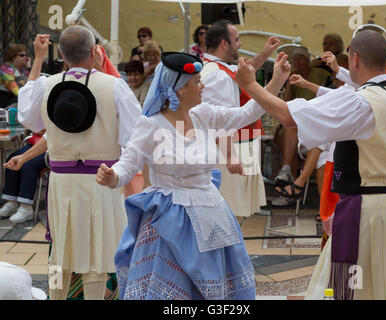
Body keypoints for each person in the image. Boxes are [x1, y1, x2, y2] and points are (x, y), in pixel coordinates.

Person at [96, 50, 291, 300]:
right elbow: (128, 163)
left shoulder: (204, 115)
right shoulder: (152, 124)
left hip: (212, 213)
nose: (203, 85)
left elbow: (247, 114)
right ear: (179, 89)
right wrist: (113, 177)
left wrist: (276, 81)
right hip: (169, 220)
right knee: (174, 291)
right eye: (197, 81)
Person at [236, 30, 386, 300]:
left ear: (353, 59)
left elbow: (288, 116)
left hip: (368, 212)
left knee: (349, 288)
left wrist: (250, 85)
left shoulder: (361, 102)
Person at [17, 26, 141, 300]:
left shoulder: (47, 85)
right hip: (104, 179)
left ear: (60, 53)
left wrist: (38, 60)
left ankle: (58, 296)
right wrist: (122, 173)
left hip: (62, 183)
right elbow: (137, 138)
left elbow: (26, 116)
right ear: (96, 51)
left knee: (61, 249)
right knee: (101, 249)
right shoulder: (114, 85)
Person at [200, 19, 280, 219]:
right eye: (236, 40)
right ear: (224, 43)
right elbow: (222, 122)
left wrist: (265, 54)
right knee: (228, 214)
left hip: (226, 149)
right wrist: (231, 156)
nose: (240, 44)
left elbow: (245, 71)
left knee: (229, 214)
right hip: (224, 153)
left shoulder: (214, 67)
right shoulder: (217, 76)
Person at [272, 46, 330, 207]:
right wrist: (289, 81)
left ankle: (295, 185)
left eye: (301, 60)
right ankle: (287, 171)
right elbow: (286, 103)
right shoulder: (294, 77)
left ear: (308, 61)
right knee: (290, 129)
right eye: (295, 60)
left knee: (317, 146)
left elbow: (327, 96)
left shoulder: (321, 75)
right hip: (302, 125)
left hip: (318, 125)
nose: (297, 63)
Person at [0, 130, 46, 223]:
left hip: (54, 147)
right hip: (37, 142)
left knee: (28, 164)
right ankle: (12, 202)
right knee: (12, 159)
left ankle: (26, 208)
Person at [0, 44, 30, 108]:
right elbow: (12, 87)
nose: (25, 58)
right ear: (13, 57)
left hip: (18, 99)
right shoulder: (6, 68)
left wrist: (29, 67)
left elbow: (32, 82)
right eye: (22, 55)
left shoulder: (24, 70)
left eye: (26, 55)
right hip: (5, 100)